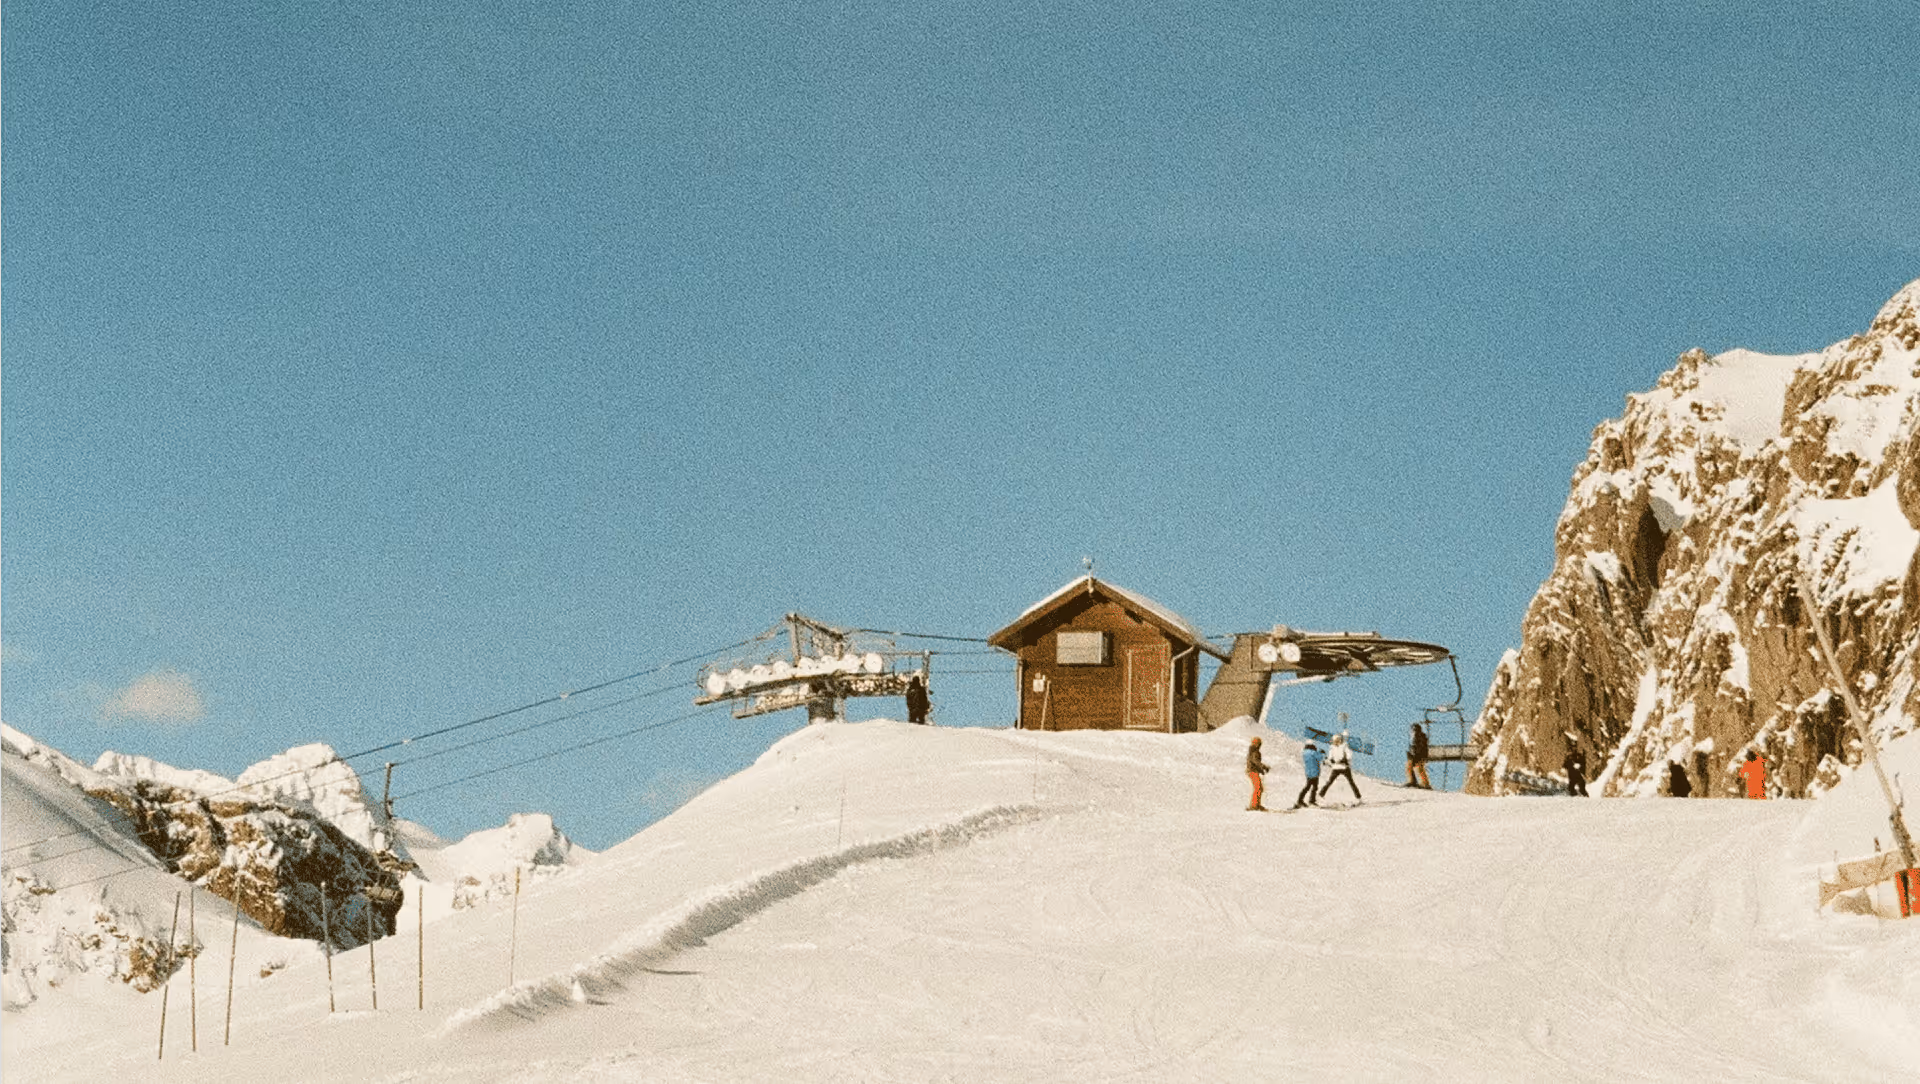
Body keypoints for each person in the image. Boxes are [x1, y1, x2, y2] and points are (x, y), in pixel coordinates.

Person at [1319, 733, 1361, 802]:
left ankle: (1358, 797)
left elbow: (1349, 755)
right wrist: (1328, 761)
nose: (1336, 742)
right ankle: (1321, 795)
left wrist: (1345, 759)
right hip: (1337, 767)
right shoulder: (1332, 747)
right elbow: (1330, 757)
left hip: (1343, 767)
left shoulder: (1344, 746)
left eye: (1337, 740)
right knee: (1331, 781)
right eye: (1335, 740)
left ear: (1340, 740)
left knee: (1350, 782)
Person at [1294, 741, 1323, 809]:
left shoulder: (1305, 753)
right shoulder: (1313, 752)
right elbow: (1320, 758)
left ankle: (1301, 800)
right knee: (1314, 787)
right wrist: (1321, 752)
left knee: (1308, 787)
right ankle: (1310, 801)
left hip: (1308, 772)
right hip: (1314, 772)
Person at [1246, 736, 1270, 812]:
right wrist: (1264, 767)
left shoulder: (1253, 751)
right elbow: (1256, 761)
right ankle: (1254, 806)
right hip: (1253, 771)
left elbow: (1255, 762)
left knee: (1259, 788)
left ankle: (1256, 804)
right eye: (1259, 744)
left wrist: (1262, 770)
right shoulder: (1255, 752)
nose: (1259, 745)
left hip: (1253, 771)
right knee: (1258, 788)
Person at [1407, 723, 1432, 789]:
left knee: (1419, 768)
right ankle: (1413, 781)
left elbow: (1420, 747)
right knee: (1410, 767)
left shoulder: (1420, 736)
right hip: (1417, 755)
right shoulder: (1416, 736)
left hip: (1419, 755)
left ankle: (1424, 783)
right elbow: (1414, 746)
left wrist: (1415, 753)